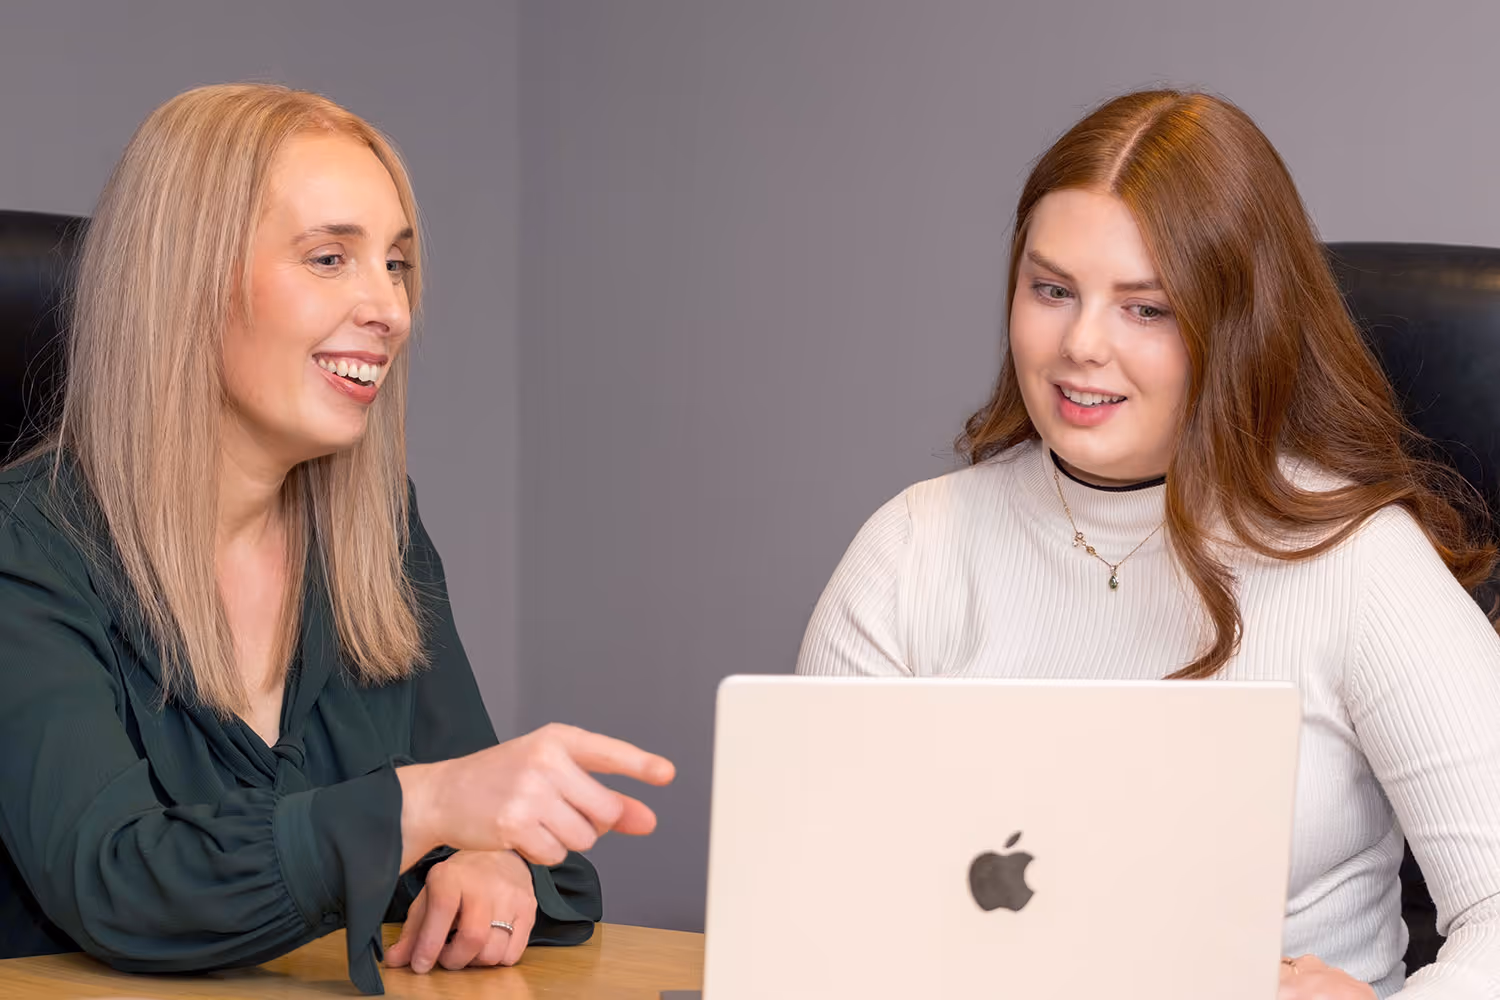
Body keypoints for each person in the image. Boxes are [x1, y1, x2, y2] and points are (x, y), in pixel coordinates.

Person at [797, 90, 1500, 999]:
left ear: (1240, 325)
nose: (1080, 345)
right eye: (1052, 290)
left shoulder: (1360, 562)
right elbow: (808, 906)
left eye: (1147, 308)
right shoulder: (911, 550)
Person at [0, 83, 673, 995]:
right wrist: (422, 809)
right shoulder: (29, 547)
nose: (389, 310)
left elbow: (508, 831)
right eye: (329, 258)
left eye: (394, 264)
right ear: (182, 282)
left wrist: (492, 869)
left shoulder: (376, 536)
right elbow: (119, 883)